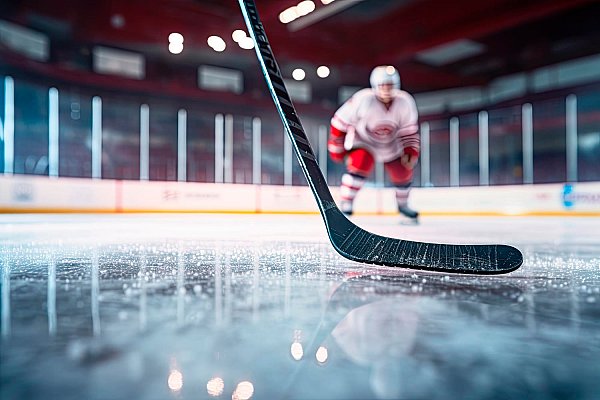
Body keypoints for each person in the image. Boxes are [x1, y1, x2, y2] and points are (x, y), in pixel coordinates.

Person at [328, 65, 420, 222]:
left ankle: (403, 205)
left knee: (403, 171)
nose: (386, 89)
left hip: (392, 144)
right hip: (364, 141)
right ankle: (346, 203)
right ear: (375, 85)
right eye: (383, 85)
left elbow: (409, 130)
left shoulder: (405, 101)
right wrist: (336, 148)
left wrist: (411, 150)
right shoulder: (363, 99)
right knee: (360, 164)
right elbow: (339, 122)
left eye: (390, 85)